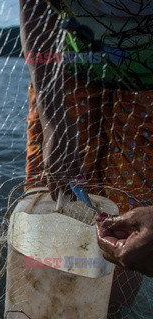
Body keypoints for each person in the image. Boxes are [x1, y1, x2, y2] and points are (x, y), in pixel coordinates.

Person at [20, 0, 153, 316]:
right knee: (51, 198)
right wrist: (55, 122)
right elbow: (35, 6)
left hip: (147, 92)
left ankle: (109, 309)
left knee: (133, 222)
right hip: (66, 74)